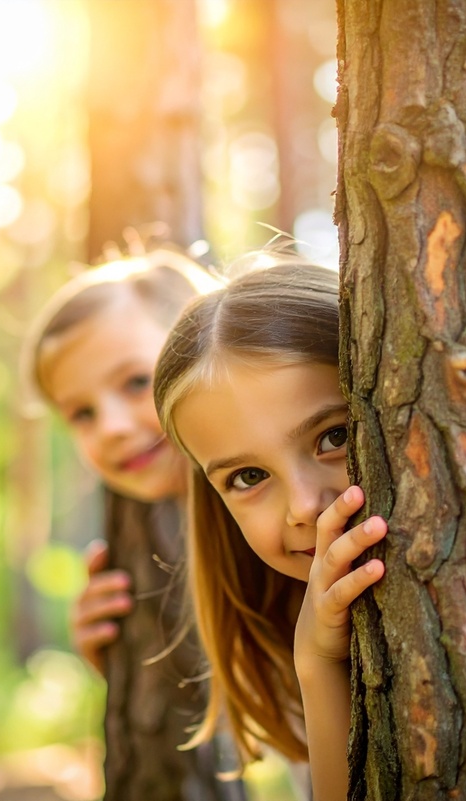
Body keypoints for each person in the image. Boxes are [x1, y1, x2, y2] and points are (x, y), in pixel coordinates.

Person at [153, 261, 383, 800]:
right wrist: (318, 666)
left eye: (334, 437)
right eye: (249, 477)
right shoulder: (285, 642)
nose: (304, 506)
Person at [20, 247, 220, 672]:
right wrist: (121, 663)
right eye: (82, 413)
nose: (111, 428)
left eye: (135, 382)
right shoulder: (155, 545)